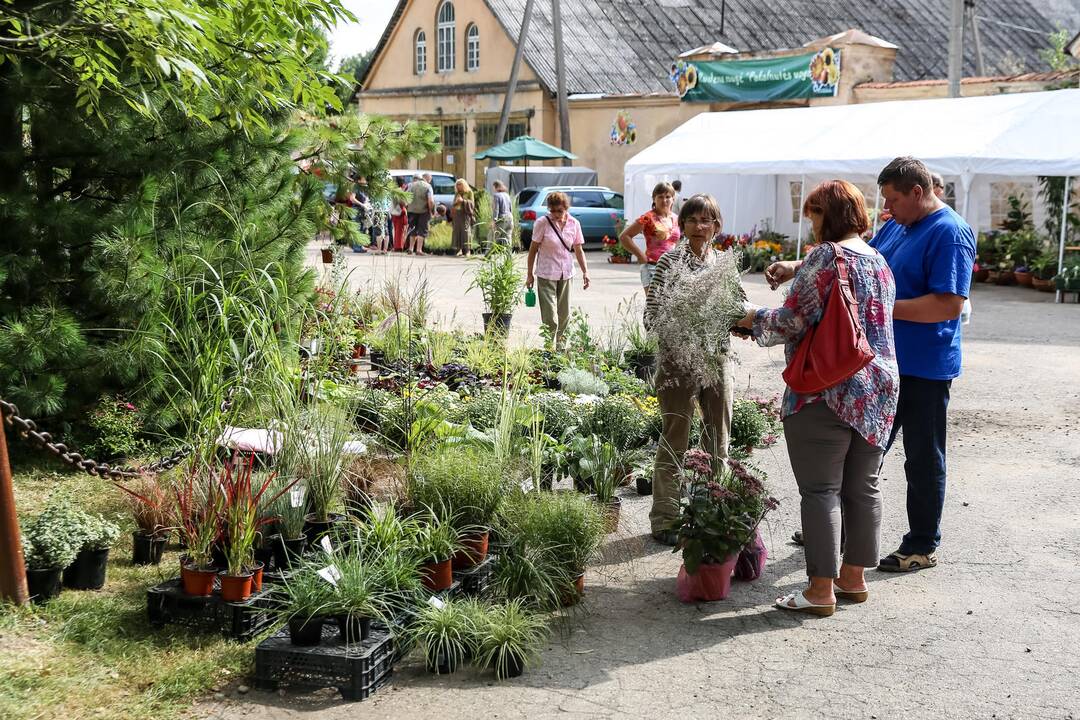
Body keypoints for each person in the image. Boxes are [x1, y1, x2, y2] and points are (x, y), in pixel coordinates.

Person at [767, 157, 975, 575]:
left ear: (918, 193)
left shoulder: (950, 233)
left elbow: (949, 303)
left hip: (926, 366)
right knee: (863, 457)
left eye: (894, 199)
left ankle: (921, 544)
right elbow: (861, 258)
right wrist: (798, 266)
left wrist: (877, 307)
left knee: (921, 457)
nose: (888, 208)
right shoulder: (899, 224)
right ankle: (834, 530)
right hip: (883, 366)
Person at [737, 180, 898, 616]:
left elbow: (794, 320)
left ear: (829, 214)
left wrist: (750, 317)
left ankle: (819, 591)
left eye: (814, 215)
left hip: (827, 388)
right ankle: (853, 579)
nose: (811, 224)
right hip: (878, 389)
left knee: (821, 491)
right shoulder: (878, 259)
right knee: (863, 488)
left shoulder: (827, 256)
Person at [643, 194, 736, 545]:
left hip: (717, 359)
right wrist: (679, 330)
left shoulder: (723, 264)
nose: (700, 226)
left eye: (707, 220)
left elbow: (736, 304)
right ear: (682, 225)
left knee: (718, 441)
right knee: (675, 440)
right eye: (694, 220)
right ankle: (665, 519)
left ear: (716, 226)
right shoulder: (669, 263)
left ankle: (715, 511)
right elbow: (651, 314)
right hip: (678, 363)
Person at [525, 191, 591, 350]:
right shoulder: (542, 223)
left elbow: (578, 249)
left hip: (566, 272)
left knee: (565, 314)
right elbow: (533, 250)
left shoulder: (574, 223)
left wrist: (585, 272)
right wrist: (529, 274)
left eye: (559, 211)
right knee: (550, 316)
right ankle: (548, 348)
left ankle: (561, 349)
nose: (555, 214)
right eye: (552, 211)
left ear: (566, 208)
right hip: (546, 273)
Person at [619, 181, 680, 293]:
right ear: (654, 198)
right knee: (654, 306)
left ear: (673, 199)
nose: (664, 200)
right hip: (653, 267)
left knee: (670, 306)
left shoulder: (676, 218)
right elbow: (624, 236)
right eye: (660, 197)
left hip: (672, 267)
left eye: (668, 197)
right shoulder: (648, 218)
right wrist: (640, 255)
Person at [930, 172, 972, 325]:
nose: (941, 191)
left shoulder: (952, 228)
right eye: (939, 186)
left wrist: (889, 307)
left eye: (942, 187)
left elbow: (949, 306)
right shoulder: (901, 221)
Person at [406, 172, 434, 255]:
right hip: (423, 211)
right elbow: (431, 201)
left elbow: (406, 197)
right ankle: (418, 250)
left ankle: (411, 248)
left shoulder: (411, 185)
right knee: (422, 230)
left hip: (411, 211)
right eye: (430, 180)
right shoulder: (428, 186)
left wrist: (408, 207)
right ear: (427, 179)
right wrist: (431, 210)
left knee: (412, 229)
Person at [450, 179, 476, 257]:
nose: (458, 187)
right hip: (457, 214)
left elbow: (472, 203)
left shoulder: (469, 192)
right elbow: (454, 203)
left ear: (464, 185)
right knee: (457, 231)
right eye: (457, 186)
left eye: (460, 185)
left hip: (465, 214)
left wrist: (463, 201)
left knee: (465, 231)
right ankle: (459, 249)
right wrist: (456, 202)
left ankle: (467, 250)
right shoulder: (457, 193)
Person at [491, 180, 514, 248]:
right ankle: (508, 255)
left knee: (495, 237)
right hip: (510, 218)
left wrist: (494, 220)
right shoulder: (507, 195)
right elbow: (510, 208)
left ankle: (488, 255)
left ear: (495, 187)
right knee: (508, 237)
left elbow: (496, 209)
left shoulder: (496, 196)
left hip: (502, 218)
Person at [391, 176, 408, 251]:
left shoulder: (393, 190)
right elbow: (403, 202)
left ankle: (396, 245)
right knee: (400, 230)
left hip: (394, 211)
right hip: (400, 211)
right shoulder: (400, 191)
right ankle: (399, 246)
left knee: (396, 229)